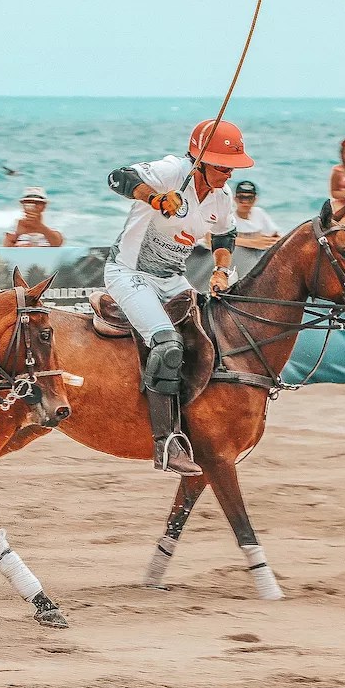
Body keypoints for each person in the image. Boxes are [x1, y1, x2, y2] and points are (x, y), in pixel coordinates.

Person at [104, 119, 249, 476]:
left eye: (232, 167)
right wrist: (154, 197)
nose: (229, 173)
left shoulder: (221, 197)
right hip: (130, 273)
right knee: (168, 345)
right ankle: (166, 443)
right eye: (223, 166)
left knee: (214, 333)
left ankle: (201, 419)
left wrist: (220, 270)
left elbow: (224, 236)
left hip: (172, 280)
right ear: (200, 161)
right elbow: (117, 177)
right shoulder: (172, 171)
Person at [232, 179, 280, 249]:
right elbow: (219, 239)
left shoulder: (259, 213)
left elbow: (276, 235)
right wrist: (253, 243)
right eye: (241, 198)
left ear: (255, 199)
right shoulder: (229, 216)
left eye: (250, 198)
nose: (245, 202)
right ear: (235, 199)